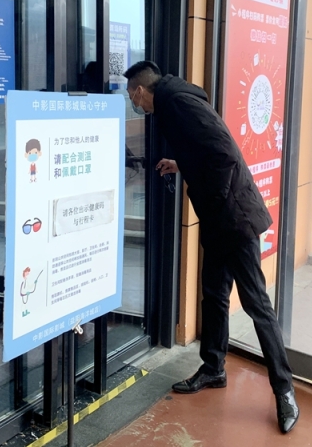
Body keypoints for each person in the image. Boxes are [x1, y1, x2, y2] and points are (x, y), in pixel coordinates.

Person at [123, 60, 298, 434]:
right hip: (220, 217)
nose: (135, 105)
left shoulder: (177, 103)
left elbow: (223, 153)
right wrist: (181, 163)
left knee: (256, 303)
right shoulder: (174, 99)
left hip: (234, 217)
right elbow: (203, 150)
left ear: (139, 91)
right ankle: (213, 367)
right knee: (214, 295)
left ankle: (284, 389)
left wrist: (215, 200)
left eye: (132, 98)